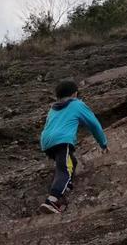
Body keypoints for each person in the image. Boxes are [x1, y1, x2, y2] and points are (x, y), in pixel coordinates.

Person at [39, 80, 108, 214]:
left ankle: (66, 187)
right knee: (65, 169)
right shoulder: (77, 104)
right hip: (62, 140)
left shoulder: (53, 108)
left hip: (46, 141)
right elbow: (94, 125)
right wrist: (103, 143)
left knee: (71, 162)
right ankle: (52, 200)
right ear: (75, 94)